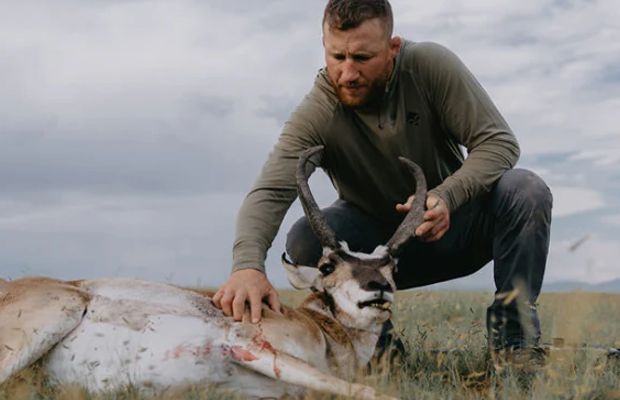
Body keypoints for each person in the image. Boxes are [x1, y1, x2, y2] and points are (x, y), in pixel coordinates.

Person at [212, 0, 553, 368]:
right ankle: (383, 357)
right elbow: (270, 191)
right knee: (304, 239)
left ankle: (514, 347)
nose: (347, 73)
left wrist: (446, 197)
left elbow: (500, 143)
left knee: (526, 191)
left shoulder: (429, 67)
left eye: (362, 57)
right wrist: (246, 265)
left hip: (455, 229)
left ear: (393, 48)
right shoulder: (319, 111)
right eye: (337, 56)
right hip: (372, 258)